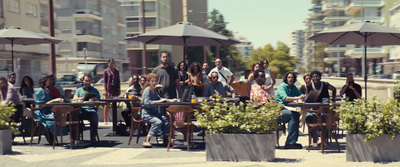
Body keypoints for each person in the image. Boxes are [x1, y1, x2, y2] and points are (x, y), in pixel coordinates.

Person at [141, 74, 179, 147]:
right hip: (147, 114)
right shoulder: (147, 90)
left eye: (155, 81)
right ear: (149, 82)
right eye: (152, 81)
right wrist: (158, 102)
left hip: (154, 113)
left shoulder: (154, 91)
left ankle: (165, 139)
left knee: (167, 120)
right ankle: (147, 139)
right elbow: (147, 103)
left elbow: (160, 99)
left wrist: (170, 100)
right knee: (158, 122)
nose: (154, 82)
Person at [275, 71, 306, 149]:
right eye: (289, 77)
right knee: (294, 115)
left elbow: (300, 94)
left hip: (288, 108)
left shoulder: (293, 87)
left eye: (292, 77)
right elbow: (285, 98)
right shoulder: (283, 86)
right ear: (286, 78)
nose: (290, 79)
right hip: (279, 110)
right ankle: (290, 142)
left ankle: (292, 141)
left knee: (296, 114)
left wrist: (303, 95)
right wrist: (298, 98)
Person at [306, 70, 337, 144]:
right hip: (314, 106)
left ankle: (324, 139)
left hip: (324, 106)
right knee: (309, 117)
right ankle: (314, 139)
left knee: (324, 119)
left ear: (320, 77)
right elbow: (308, 97)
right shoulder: (309, 86)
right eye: (313, 77)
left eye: (317, 76)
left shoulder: (325, 84)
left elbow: (334, 89)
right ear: (311, 78)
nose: (315, 78)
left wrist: (333, 99)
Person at [34, 75, 65, 144]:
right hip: (41, 112)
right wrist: (54, 100)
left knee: (59, 116)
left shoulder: (47, 90)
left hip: (47, 110)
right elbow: (41, 105)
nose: (49, 82)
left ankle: (55, 135)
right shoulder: (40, 91)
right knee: (52, 119)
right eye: (48, 80)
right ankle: (49, 135)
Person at [72, 74, 101, 143]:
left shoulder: (95, 90)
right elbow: (74, 99)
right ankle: (74, 137)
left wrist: (95, 100)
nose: (88, 82)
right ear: (83, 81)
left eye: (89, 81)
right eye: (86, 80)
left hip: (90, 110)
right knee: (72, 115)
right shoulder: (79, 90)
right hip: (80, 110)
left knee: (94, 116)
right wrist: (81, 98)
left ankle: (93, 136)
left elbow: (98, 102)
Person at [103, 58, 121, 124]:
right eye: (110, 63)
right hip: (109, 89)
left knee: (114, 104)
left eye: (113, 63)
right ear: (108, 63)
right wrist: (105, 90)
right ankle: (105, 118)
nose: (112, 64)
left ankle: (115, 119)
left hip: (115, 89)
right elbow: (104, 81)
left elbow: (118, 81)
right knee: (107, 104)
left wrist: (119, 89)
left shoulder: (116, 71)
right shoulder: (106, 71)